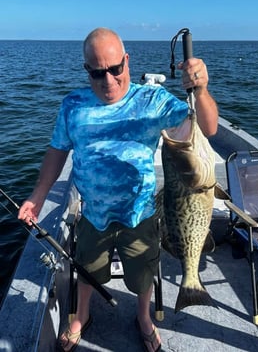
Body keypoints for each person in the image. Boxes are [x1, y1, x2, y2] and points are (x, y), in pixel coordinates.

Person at [18, 27, 218, 352]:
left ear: (127, 61)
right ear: (87, 69)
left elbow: (207, 127)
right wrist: (38, 195)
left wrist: (202, 89)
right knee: (87, 269)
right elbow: (57, 151)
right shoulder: (73, 106)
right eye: (97, 73)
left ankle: (143, 317)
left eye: (115, 69)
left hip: (140, 214)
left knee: (142, 274)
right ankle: (81, 316)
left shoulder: (151, 100)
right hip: (93, 213)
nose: (108, 81)